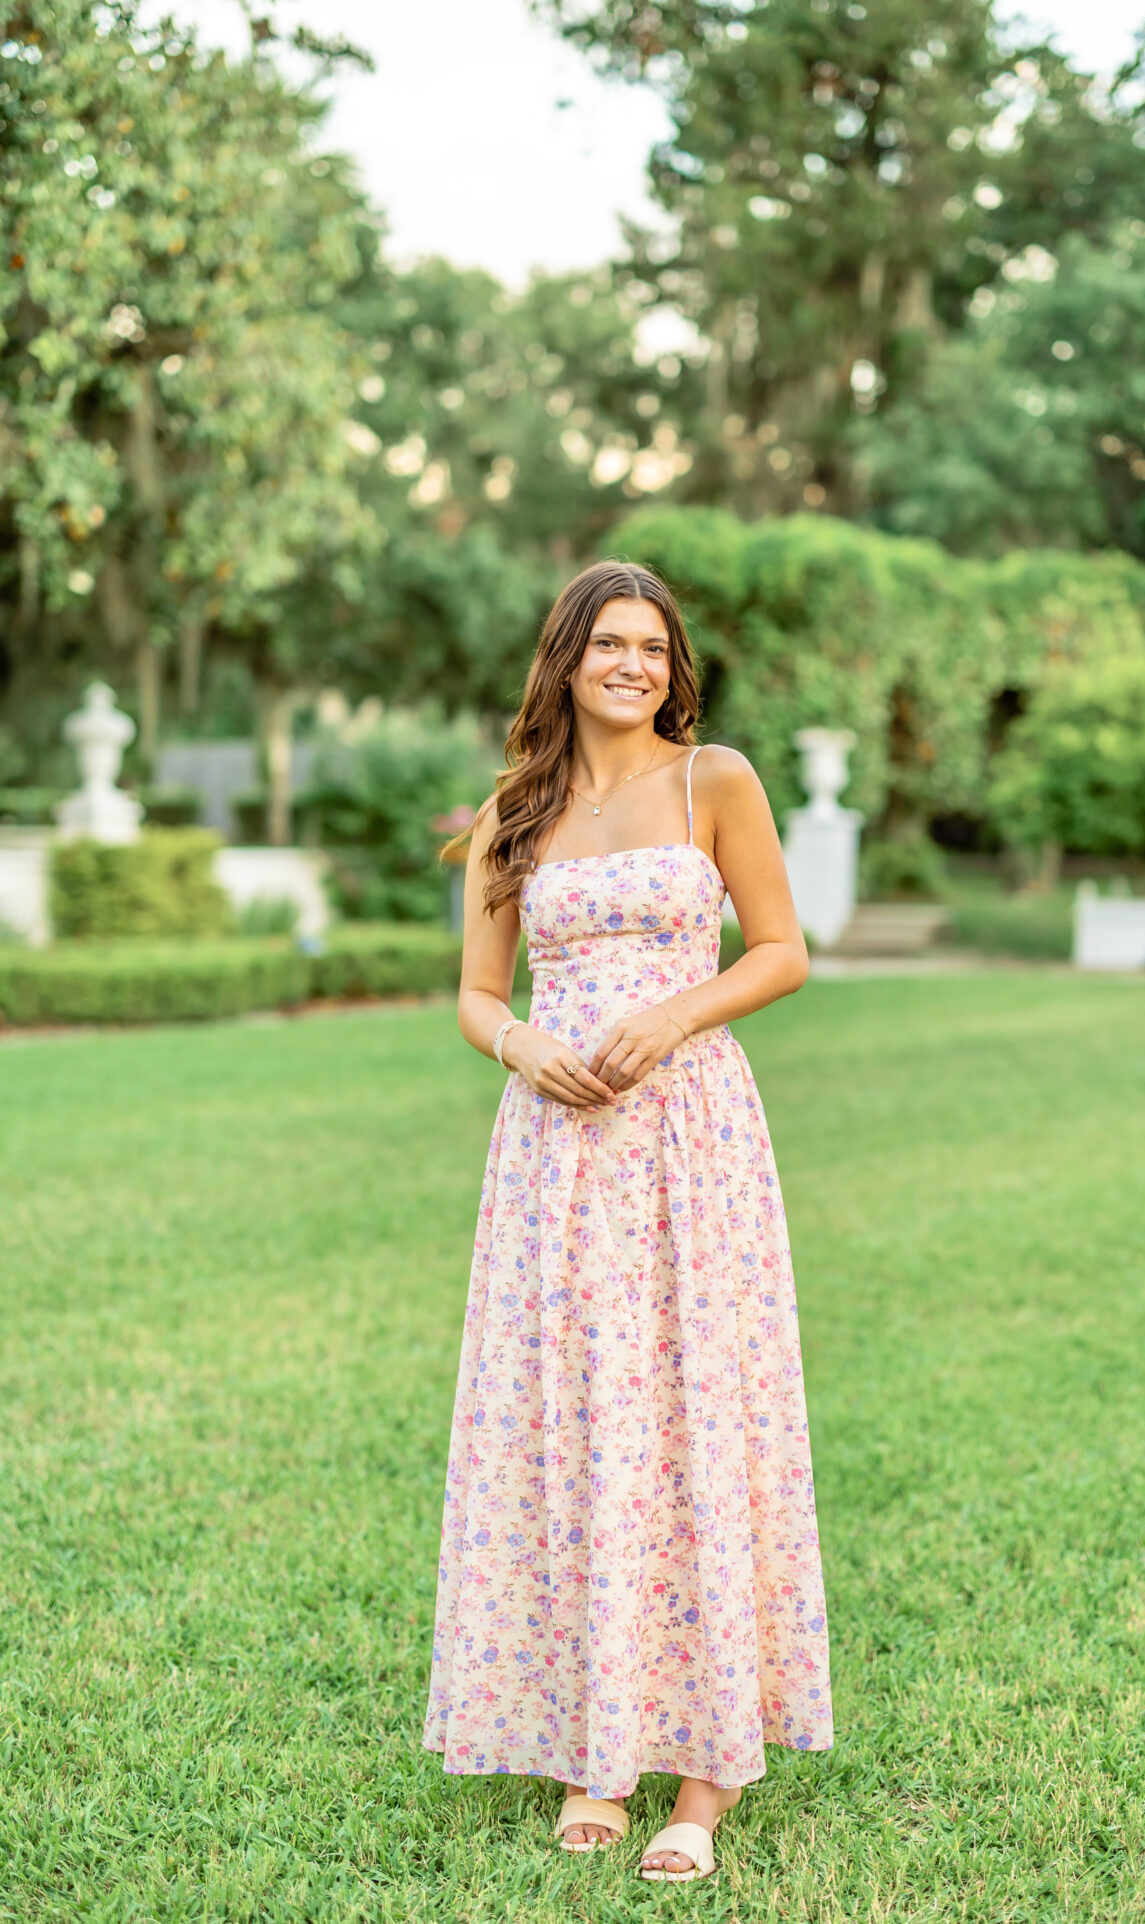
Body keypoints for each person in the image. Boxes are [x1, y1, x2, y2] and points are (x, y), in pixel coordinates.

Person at [423, 559, 832, 1882]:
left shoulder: (718, 783)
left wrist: (673, 1012)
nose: (634, 664)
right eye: (610, 642)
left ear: (674, 666)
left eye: (654, 646)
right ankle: (593, 1754)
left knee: (701, 1416)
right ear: (567, 658)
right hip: (556, 1154)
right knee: (579, 1418)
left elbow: (781, 949)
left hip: (693, 1138)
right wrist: (524, 1049)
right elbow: (480, 995)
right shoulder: (515, 812)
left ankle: (705, 1782)